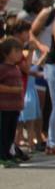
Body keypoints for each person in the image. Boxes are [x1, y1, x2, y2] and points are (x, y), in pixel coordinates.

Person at [30, 0, 55, 154]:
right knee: (46, 103)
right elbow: (31, 33)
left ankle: (54, 140)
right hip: (43, 61)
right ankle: (46, 140)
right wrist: (41, 47)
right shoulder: (49, 13)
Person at [0, 37, 27, 168]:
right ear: (6, 53)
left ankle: (10, 154)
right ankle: (2, 156)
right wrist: (12, 89)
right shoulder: (3, 68)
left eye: (20, 51)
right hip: (4, 107)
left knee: (11, 133)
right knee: (3, 133)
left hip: (14, 107)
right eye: (16, 51)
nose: (19, 54)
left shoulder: (16, 68)